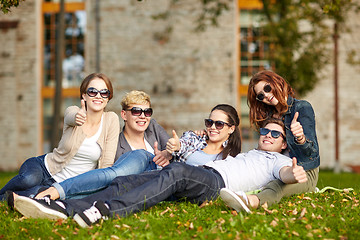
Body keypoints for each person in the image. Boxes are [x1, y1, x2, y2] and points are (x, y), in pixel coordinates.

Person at [12, 118, 307, 228]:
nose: (267, 135)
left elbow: (284, 176)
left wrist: (294, 174)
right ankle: (64, 208)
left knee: (177, 173)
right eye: (265, 130)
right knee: (128, 180)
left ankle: (104, 211)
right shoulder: (247, 153)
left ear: (283, 144)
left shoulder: (274, 161)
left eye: (275, 134)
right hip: (200, 176)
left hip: (214, 183)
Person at [0, 73, 120, 200]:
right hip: (44, 168)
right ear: (84, 95)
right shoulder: (73, 111)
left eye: (104, 92)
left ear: (108, 97)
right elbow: (71, 116)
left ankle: (9, 198)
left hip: (62, 186)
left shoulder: (111, 120)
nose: (98, 96)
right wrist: (78, 117)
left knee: (36, 195)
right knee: (28, 180)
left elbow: (107, 165)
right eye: (92, 91)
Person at [35, 90, 170, 200]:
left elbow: (174, 151)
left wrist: (169, 152)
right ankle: (53, 193)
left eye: (147, 112)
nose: (143, 116)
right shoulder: (116, 144)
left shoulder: (153, 127)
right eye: (136, 111)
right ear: (124, 114)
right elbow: (112, 177)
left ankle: (55, 196)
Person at [236, 70, 320, 211]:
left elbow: (311, 152)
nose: (267, 96)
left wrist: (300, 138)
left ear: (277, 82)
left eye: (267, 88)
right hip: (274, 167)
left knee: (276, 185)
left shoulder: (302, 108)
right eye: (261, 95)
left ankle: (253, 202)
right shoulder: (269, 116)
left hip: (302, 171)